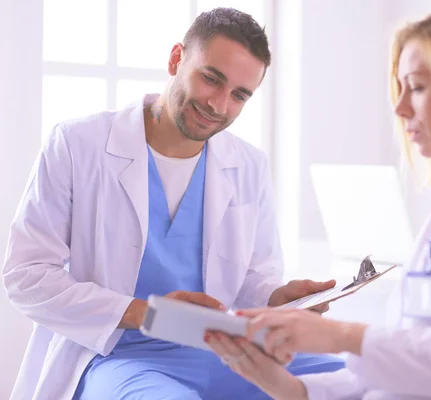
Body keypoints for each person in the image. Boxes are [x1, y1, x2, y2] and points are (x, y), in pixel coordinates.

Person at [205, 2, 431, 399]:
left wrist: (340, 335)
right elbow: (410, 368)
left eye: (416, 87)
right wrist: (288, 387)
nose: (399, 109)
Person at [1, 8, 344, 400]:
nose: (218, 104)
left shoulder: (248, 165)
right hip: (118, 355)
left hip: (225, 351)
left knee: (359, 381)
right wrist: (147, 314)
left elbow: (251, 278)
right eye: (211, 79)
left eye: (239, 95)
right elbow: (25, 276)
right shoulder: (78, 144)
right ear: (176, 59)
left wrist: (275, 298)